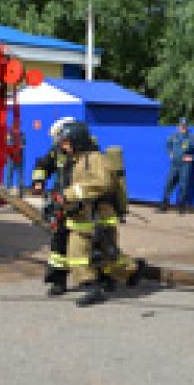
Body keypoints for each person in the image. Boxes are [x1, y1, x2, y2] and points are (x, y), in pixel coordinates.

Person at [50, 121, 139, 306]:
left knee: (109, 258)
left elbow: (102, 182)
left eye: (66, 142)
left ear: (77, 140)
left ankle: (133, 271)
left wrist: (70, 194)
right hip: (83, 218)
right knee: (78, 253)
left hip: (99, 216)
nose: (63, 146)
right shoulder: (78, 160)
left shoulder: (94, 158)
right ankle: (93, 288)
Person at [32, 116, 76, 293]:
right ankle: (58, 281)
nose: (59, 142)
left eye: (60, 137)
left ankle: (98, 280)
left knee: (89, 242)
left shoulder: (88, 151)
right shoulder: (57, 151)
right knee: (58, 241)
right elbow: (43, 165)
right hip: (61, 201)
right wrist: (38, 181)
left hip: (80, 202)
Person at [159, 117, 194, 214]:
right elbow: (168, 145)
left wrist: (192, 158)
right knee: (168, 184)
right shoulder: (174, 136)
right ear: (178, 126)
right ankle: (164, 205)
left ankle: (181, 206)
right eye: (181, 126)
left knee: (183, 185)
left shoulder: (192, 138)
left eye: (184, 126)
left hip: (185, 165)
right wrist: (170, 153)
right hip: (174, 164)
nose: (182, 127)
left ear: (187, 126)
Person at [4, 128, 25, 197]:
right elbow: (7, 145)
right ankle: (8, 191)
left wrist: (17, 148)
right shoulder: (10, 134)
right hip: (12, 158)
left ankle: (20, 192)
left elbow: (23, 146)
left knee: (19, 175)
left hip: (18, 158)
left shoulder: (22, 135)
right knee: (10, 174)